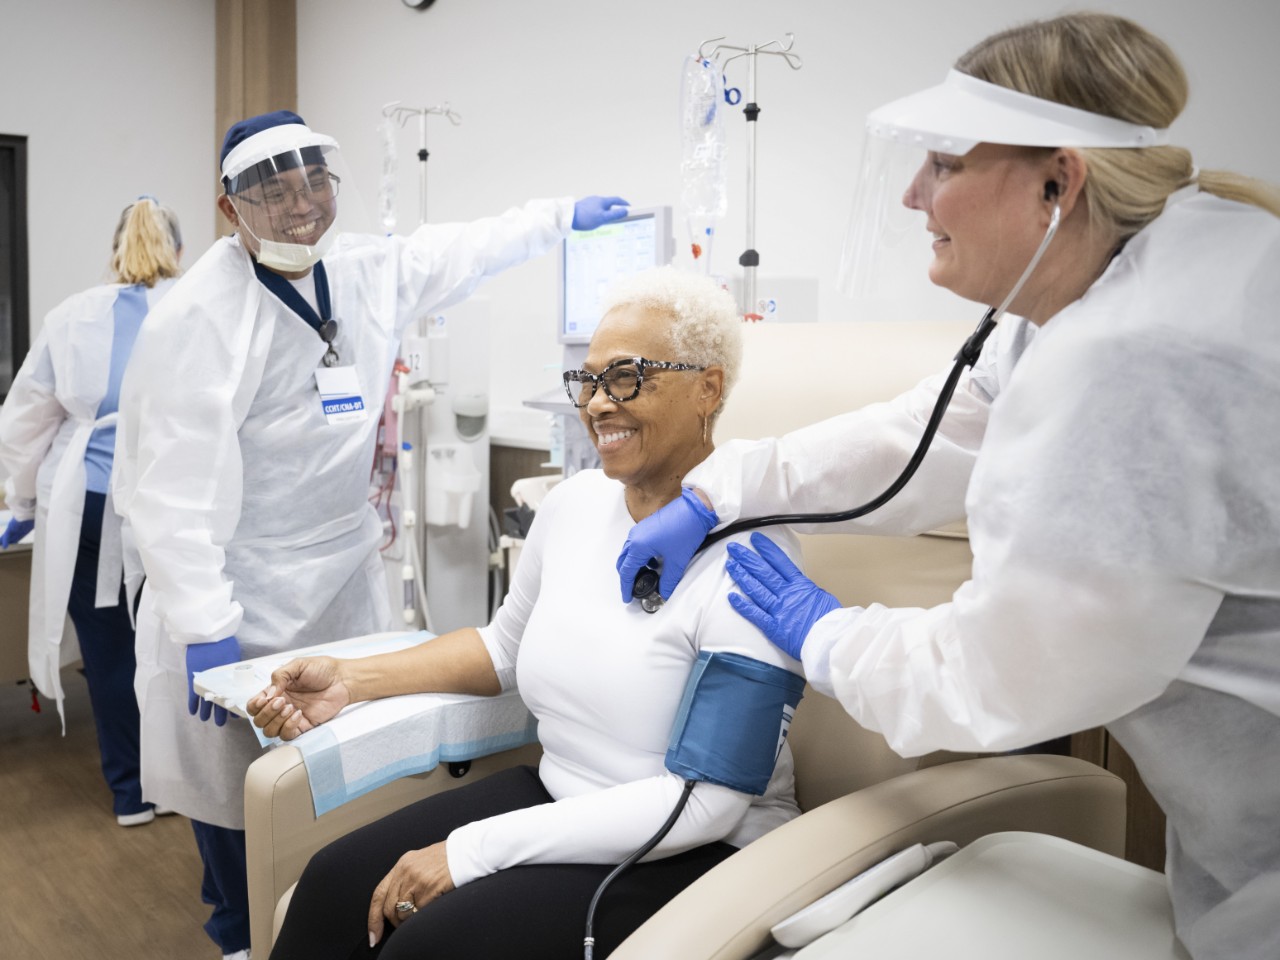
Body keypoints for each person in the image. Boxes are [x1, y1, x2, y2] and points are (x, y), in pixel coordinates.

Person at [613, 14, 1280, 960]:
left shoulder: (1135, 365)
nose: (912, 194)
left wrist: (824, 630)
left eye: (944, 164)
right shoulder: (1131, 276)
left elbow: (999, 678)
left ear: (1058, 181)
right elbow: (923, 437)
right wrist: (720, 492)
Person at [111, 109, 630, 960]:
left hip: (343, 573)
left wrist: (558, 216)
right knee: (238, 795)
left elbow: (463, 249)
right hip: (233, 588)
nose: (301, 206)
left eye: (313, 183)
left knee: (347, 772)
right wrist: (204, 625)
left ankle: (324, 914)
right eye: (275, 193)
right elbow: (171, 494)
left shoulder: (364, 269)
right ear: (230, 207)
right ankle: (241, 937)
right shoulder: (197, 318)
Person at [246, 266, 803, 959]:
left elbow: (706, 802)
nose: (597, 403)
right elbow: (502, 648)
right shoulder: (574, 506)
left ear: (707, 389)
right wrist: (351, 680)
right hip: (561, 797)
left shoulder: (753, 559)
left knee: (428, 948)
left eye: (626, 378)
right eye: (588, 381)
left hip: (700, 848)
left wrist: (472, 850)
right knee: (332, 882)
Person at [0, 197, 183, 826]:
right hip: (170, 505)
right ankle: (179, 786)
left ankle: (133, 793)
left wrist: (23, 501)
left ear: (114, 252)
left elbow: (24, 422)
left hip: (89, 501)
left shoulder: (73, 315)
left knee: (108, 652)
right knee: (171, 646)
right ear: (179, 251)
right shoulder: (195, 308)